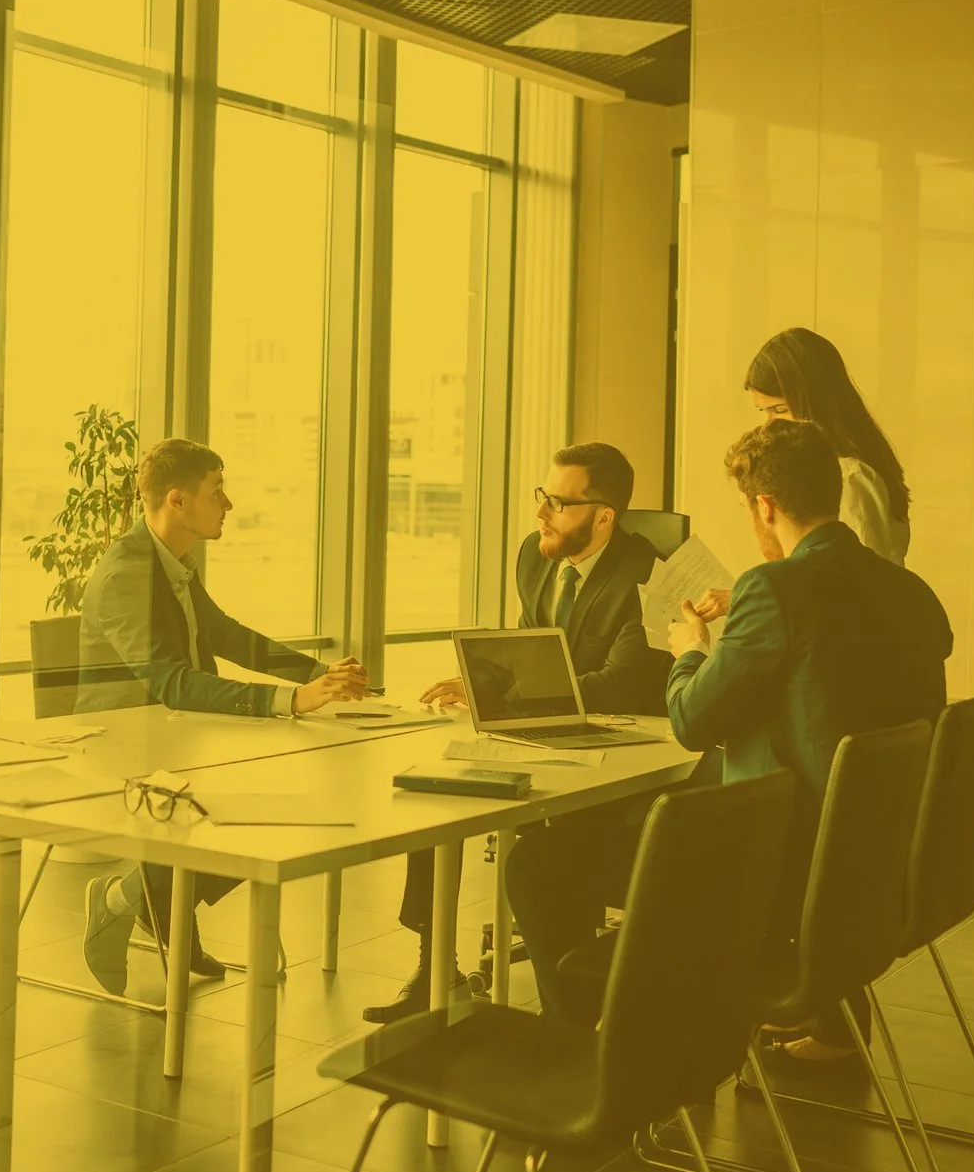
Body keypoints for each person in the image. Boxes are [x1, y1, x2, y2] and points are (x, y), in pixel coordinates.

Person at [665, 419, 952, 1060]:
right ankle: (824, 1021)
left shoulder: (771, 589)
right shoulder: (909, 589)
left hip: (799, 865)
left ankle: (640, 1049)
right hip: (890, 856)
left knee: (564, 860)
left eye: (747, 510)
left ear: (764, 506)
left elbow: (692, 724)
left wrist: (690, 654)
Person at [357, 442, 669, 1023]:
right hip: (540, 730)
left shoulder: (651, 576)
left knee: (550, 858)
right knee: (438, 791)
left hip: (619, 749)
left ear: (604, 516)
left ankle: (573, 1014)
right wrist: (487, 682)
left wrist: (505, 694)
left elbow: (621, 684)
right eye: (541, 497)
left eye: (558, 502)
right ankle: (436, 970)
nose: (541, 513)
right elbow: (533, 649)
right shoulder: (536, 555)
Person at [77, 437, 366, 994]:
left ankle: (149, 902)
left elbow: (224, 633)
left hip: (173, 739)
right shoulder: (125, 575)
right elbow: (171, 683)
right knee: (249, 811)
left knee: (269, 804)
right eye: (218, 492)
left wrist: (315, 673)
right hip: (122, 749)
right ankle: (129, 899)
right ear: (178, 501)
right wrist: (290, 701)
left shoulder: (170, 562)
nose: (228, 504)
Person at [743, 327, 912, 563]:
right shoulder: (815, 470)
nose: (769, 426)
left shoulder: (852, 478)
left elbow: (861, 588)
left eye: (780, 410)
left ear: (815, 403)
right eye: (764, 412)